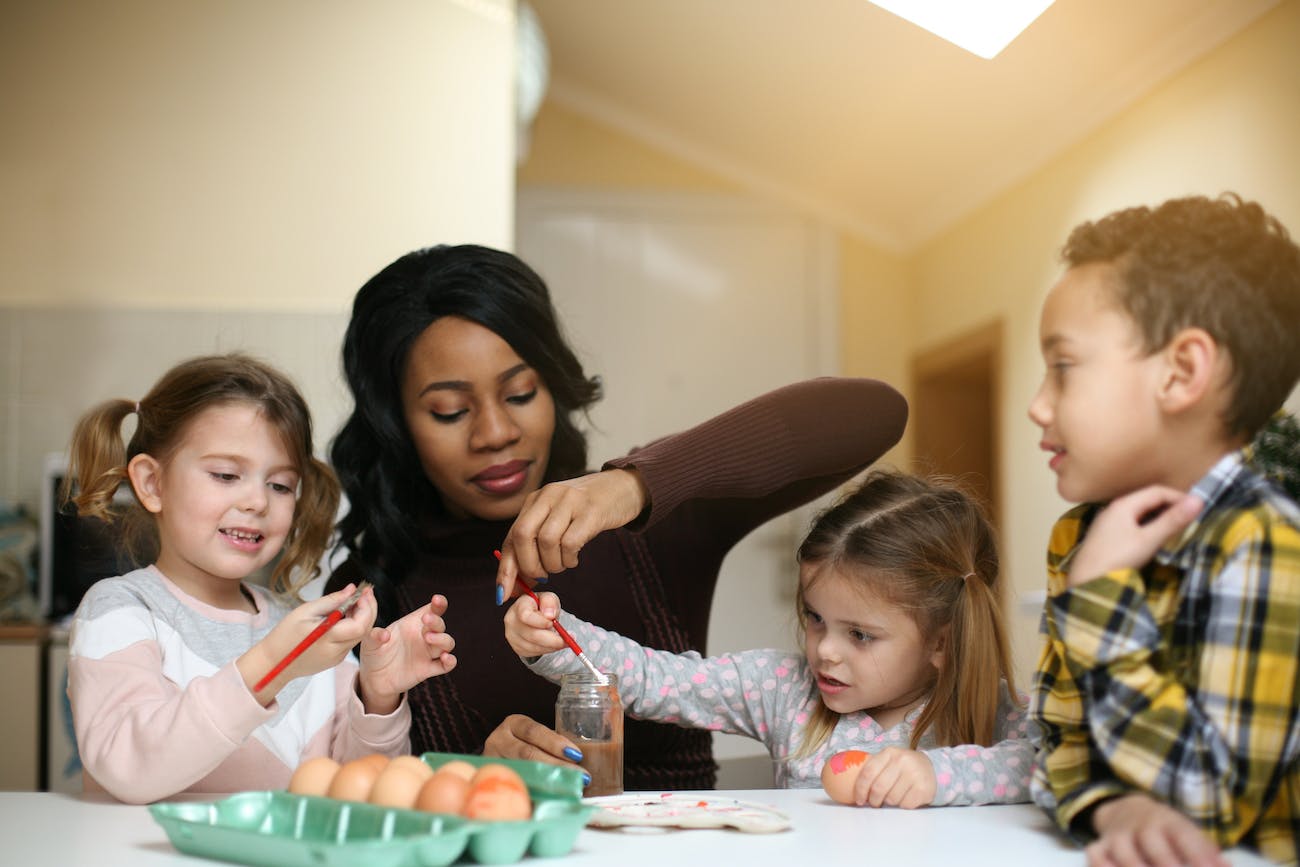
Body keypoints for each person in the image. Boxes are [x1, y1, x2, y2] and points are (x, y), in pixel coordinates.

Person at [326, 243, 908, 790]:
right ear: (396, 424)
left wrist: (636, 483)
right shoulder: (364, 599)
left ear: (554, 388)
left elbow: (875, 413)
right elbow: (354, 792)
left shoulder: (652, 523)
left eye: (521, 394)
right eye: (449, 411)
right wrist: (464, 776)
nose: (496, 433)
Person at [1026, 193, 1300, 866]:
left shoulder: (1267, 544)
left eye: (1062, 367)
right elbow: (1054, 747)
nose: (1037, 405)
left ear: (1181, 372)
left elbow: (1211, 803)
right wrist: (1113, 805)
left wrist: (1098, 600)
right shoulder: (1080, 534)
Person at [504, 469, 1031, 805]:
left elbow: (1043, 763)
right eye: (815, 617)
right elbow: (661, 678)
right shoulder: (785, 688)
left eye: (861, 636)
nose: (825, 649)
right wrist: (557, 638)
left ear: (941, 642)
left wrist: (936, 775)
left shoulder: (987, 709)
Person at [64, 353, 457, 804]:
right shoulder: (121, 610)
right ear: (152, 483)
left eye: (280, 485)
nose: (256, 501)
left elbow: (358, 792)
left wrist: (378, 696)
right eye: (226, 475)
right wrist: (272, 663)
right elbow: (130, 770)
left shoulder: (299, 630)